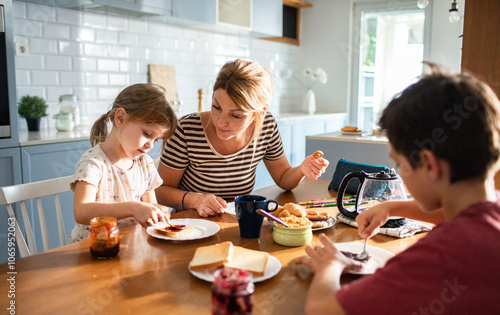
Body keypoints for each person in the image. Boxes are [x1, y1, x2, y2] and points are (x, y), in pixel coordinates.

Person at [296, 65, 500, 315]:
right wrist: (391, 207)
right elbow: (457, 214)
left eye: (400, 165)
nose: (401, 174)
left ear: (429, 163)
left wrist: (330, 267)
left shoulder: (437, 259)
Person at [156, 59, 329, 217]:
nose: (221, 121)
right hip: (192, 224)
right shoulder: (187, 129)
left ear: (259, 112)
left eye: (236, 115)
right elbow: (160, 190)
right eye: (216, 107)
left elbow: (283, 177)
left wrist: (301, 170)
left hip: (236, 220)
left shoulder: (265, 126)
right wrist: (195, 200)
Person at [70, 83, 177, 242]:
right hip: (94, 249)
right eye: (147, 134)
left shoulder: (144, 164)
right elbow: (81, 211)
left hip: (130, 247)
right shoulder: (94, 163)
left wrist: (158, 212)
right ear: (120, 118)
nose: (150, 145)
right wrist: (133, 208)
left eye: (156, 140)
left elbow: (151, 206)